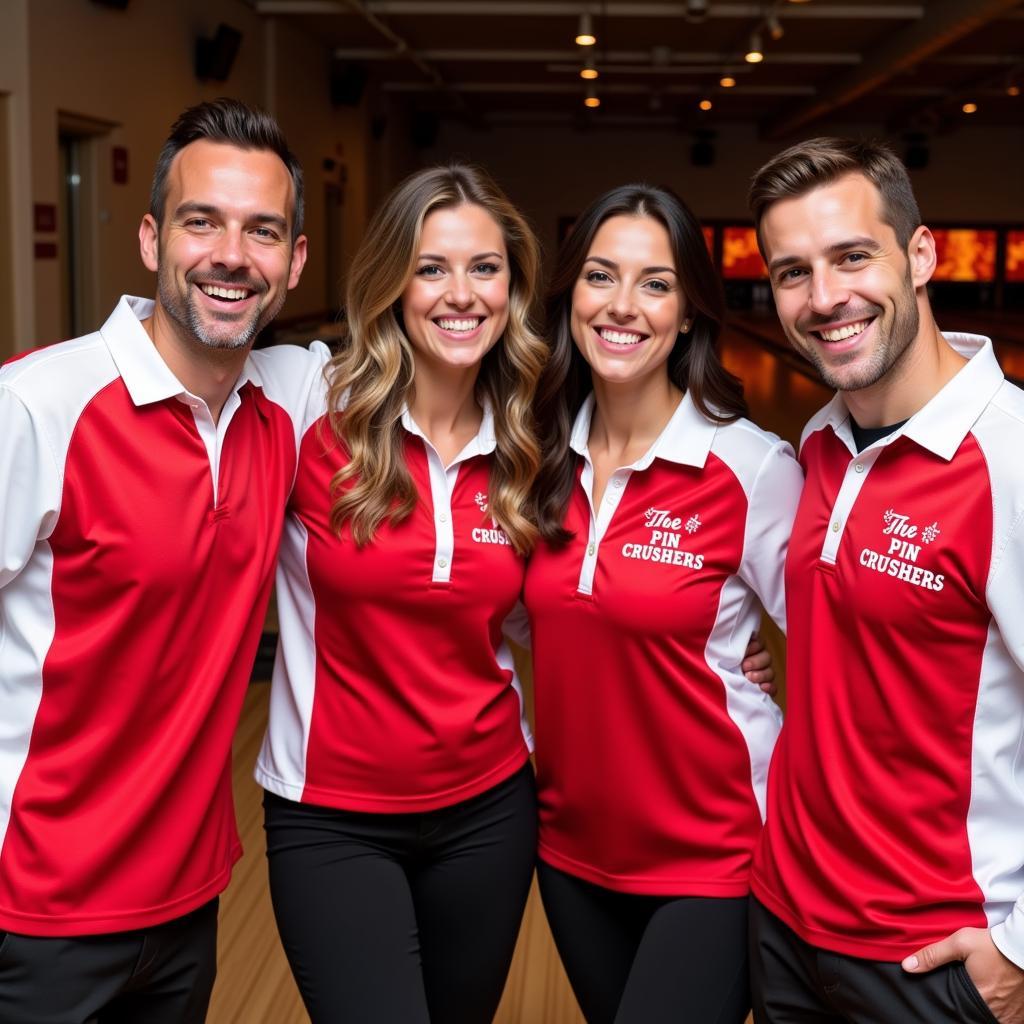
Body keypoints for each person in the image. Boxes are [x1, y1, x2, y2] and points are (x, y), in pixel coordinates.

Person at [0, 98, 320, 1023]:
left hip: (187, 902)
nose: (231, 254)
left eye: (263, 230)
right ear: (151, 240)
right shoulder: (40, 407)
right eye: (201, 221)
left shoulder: (289, 402)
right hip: (36, 914)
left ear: (294, 261)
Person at [254, 164, 548, 1024]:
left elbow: (552, 605)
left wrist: (724, 636)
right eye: (431, 268)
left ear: (512, 286)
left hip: (491, 811)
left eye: (484, 268)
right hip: (331, 819)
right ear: (392, 282)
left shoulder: (535, 434)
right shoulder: (309, 398)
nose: (461, 294)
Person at [746, 137, 1024, 1024]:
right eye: (793, 272)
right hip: (784, 922)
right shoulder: (821, 441)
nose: (825, 298)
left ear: (920, 255)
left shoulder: (1010, 460)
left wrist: (1019, 951)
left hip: (931, 962)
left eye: (852, 256)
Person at [523, 183, 803, 1024]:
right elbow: (508, 616)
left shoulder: (749, 467)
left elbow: (841, 648)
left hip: (713, 862)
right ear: (571, 295)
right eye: (602, 277)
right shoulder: (538, 458)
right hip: (571, 854)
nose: (623, 305)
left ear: (687, 313)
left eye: (655, 283)